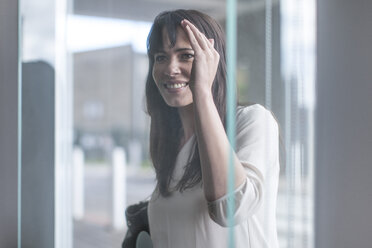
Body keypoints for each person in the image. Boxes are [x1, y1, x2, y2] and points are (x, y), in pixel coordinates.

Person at [145, 9, 280, 248]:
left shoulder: (253, 121)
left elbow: (230, 208)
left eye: (186, 55)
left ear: (212, 60)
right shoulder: (170, 141)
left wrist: (203, 92)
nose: (170, 68)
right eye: (160, 57)